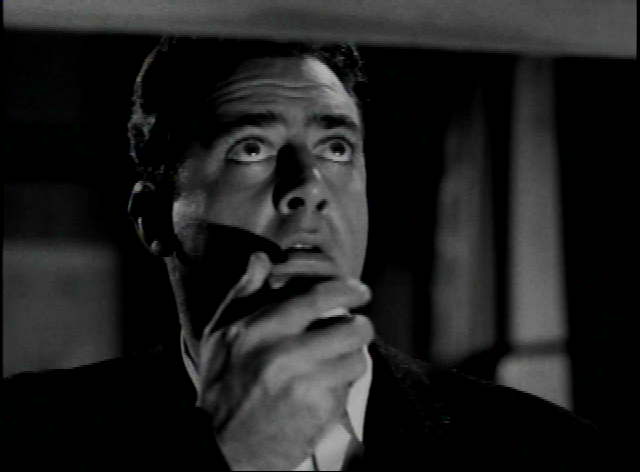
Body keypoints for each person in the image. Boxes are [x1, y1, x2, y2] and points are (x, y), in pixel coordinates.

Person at [3, 37, 600, 471]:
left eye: (336, 148)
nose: (308, 186)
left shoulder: (545, 450)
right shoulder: (31, 433)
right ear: (153, 219)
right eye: (251, 148)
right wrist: (224, 455)